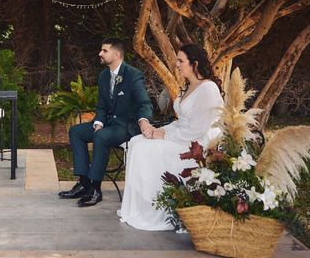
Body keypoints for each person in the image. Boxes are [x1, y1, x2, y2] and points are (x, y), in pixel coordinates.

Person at [118, 43, 224, 231]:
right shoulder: (190, 86)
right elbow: (181, 121)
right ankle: (140, 208)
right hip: (182, 135)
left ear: (195, 64)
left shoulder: (208, 89)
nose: (177, 64)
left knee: (143, 149)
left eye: (181, 61)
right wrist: (159, 131)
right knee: (135, 141)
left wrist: (165, 136)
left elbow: (198, 129)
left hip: (196, 145)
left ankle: (155, 209)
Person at [59, 38, 154, 207]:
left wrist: (144, 121)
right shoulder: (104, 76)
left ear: (116, 54)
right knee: (76, 131)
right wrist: (99, 122)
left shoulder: (133, 75)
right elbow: (102, 105)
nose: (100, 53)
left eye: (104, 51)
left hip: (126, 126)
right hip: (108, 125)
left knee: (101, 137)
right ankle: (83, 183)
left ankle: (95, 189)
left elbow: (144, 103)